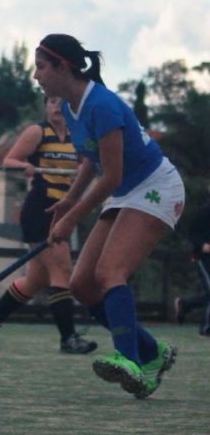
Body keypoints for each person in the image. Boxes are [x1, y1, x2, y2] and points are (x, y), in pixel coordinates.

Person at [34, 34, 185, 399]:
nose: (36, 75)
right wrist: (69, 201)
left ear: (64, 67)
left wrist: (72, 219)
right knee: (82, 286)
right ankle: (152, 351)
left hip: (156, 187)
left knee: (109, 272)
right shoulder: (71, 107)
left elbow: (112, 176)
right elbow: (91, 158)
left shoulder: (101, 105)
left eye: (41, 67)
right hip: (125, 192)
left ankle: (130, 360)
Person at [0, 96, 97, 355]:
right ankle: (68, 338)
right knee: (61, 269)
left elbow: (89, 164)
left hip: (62, 211)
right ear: (45, 106)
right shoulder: (37, 132)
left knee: (36, 279)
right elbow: (9, 161)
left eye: (62, 102)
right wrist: (25, 166)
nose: (56, 106)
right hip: (39, 210)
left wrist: (83, 169)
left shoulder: (77, 136)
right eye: (51, 102)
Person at [174, 193, 210, 336]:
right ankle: (206, 328)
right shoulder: (206, 210)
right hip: (203, 257)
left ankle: (185, 304)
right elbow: (192, 231)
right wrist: (201, 245)